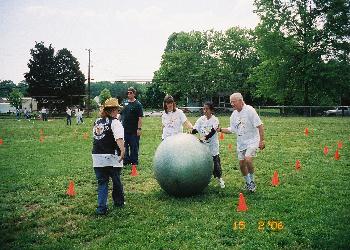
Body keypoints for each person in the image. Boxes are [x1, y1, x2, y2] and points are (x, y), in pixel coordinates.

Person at [219, 92, 265, 192]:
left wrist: (262, 141)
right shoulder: (233, 115)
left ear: (240, 101)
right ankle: (248, 183)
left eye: (233, 102)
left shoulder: (250, 110)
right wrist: (220, 129)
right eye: (230, 102)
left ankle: (252, 182)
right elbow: (232, 129)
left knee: (248, 159)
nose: (231, 104)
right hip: (241, 142)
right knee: (241, 165)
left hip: (253, 140)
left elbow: (260, 126)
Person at [92, 98, 125, 215]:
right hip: (111, 156)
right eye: (117, 110)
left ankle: (101, 208)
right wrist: (123, 150)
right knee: (116, 180)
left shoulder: (97, 122)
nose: (118, 112)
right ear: (114, 110)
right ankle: (119, 201)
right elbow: (119, 138)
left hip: (97, 157)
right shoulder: (115, 122)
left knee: (102, 182)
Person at [191, 102, 225, 188]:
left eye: (207, 109)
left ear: (211, 110)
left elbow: (213, 131)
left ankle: (219, 179)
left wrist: (205, 137)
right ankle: (201, 179)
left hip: (212, 146)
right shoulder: (201, 119)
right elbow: (195, 129)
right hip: (202, 146)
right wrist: (191, 132)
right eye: (204, 109)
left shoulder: (215, 120)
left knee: (216, 163)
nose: (205, 111)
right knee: (201, 163)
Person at [120, 87, 144, 167]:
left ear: (134, 94)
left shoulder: (138, 104)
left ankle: (134, 161)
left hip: (134, 130)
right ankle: (126, 160)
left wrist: (139, 128)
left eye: (130, 93)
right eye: (128, 93)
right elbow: (121, 114)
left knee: (134, 146)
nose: (129, 94)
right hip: (124, 129)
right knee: (125, 146)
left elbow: (140, 118)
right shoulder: (125, 103)